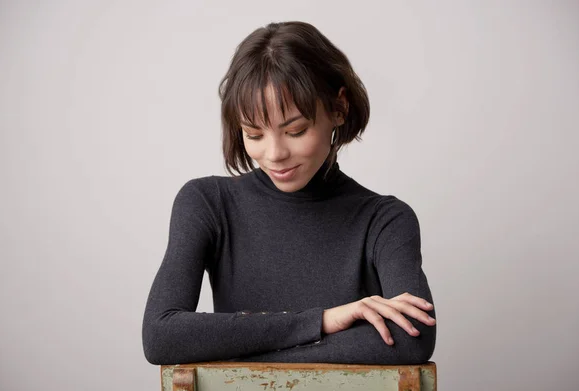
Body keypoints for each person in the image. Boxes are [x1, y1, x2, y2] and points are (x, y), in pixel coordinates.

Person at [142, 21, 437, 365]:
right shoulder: (207, 203)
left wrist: (233, 344)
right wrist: (322, 321)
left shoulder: (385, 220)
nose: (275, 153)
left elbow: (411, 340)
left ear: (338, 109)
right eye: (254, 134)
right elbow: (162, 337)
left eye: (295, 130)